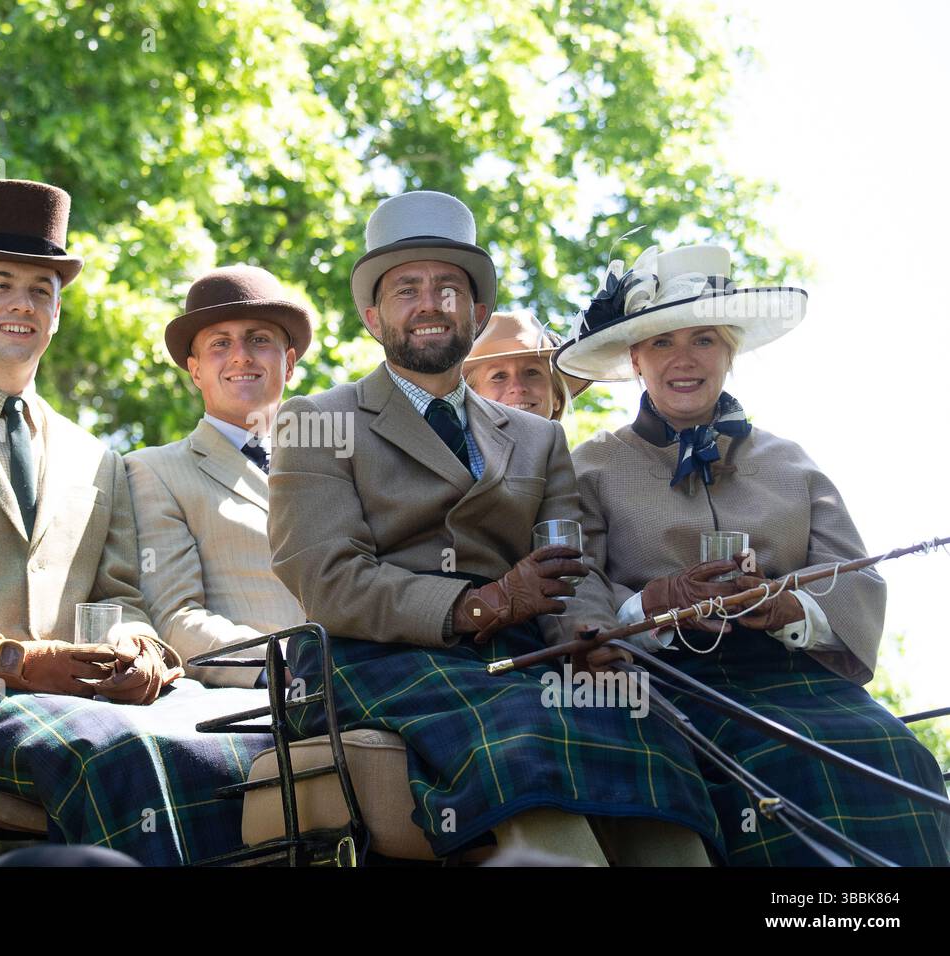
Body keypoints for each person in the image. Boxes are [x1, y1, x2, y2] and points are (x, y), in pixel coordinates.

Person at [268, 190, 721, 865]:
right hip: (374, 652)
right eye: (406, 290)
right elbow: (327, 581)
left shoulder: (538, 438)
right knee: (524, 729)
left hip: (518, 653)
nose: (429, 304)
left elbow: (570, 572)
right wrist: (479, 602)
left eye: (449, 289)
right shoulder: (316, 420)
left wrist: (589, 640)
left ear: (477, 314)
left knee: (643, 722)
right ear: (373, 317)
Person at [0, 178, 267, 864]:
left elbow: (120, 598)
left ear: (57, 313)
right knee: (117, 755)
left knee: (228, 745)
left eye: (41, 290)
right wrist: (12, 660)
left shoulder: (98, 457)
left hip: (85, 708)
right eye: (1, 284)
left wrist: (142, 655)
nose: (22, 304)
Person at [559, 242, 950, 865]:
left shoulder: (790, 462)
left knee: (898, 754)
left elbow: (856, 579)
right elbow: (571, 591)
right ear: (635, 358)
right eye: (662, 342)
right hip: (667, 683)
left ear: (730, 353)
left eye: (704, 340)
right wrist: (653, 605)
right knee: (775, 768)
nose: (683, 360)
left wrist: (785, 607)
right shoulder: (592, 466)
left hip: (799, 678)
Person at [125, 266, 310, 687]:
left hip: (368, 690)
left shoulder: (336, 461)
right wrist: (280, 666)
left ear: (290, 362)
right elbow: (173, 617)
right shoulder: (154, 471)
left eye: (259, 339)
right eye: (220, 344)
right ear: (195, 371)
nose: (241, 355)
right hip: (255, 706)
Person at [462, 310, 589, 420]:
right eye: (499, 376)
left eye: (532, 372)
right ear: (472, 397)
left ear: (556, 395)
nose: (518, 387)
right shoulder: (446, 447)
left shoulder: (597, 448)